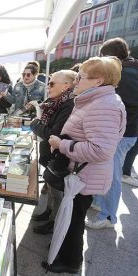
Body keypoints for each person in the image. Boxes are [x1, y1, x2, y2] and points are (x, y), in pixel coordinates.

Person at [45, 56, 126, 274]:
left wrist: (62, 144)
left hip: (85, 175)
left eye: (81, 77)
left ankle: (70, 262)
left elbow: (101, 150)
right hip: (83, 173)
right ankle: (65, 256)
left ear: (98, 81)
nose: (76, 81)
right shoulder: (98, 101)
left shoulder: (104, 106)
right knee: (72, 218)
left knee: (74, 220)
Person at [86, 37, 138, 228]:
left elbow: (128, 105)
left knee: (113, 174)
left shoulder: (127, 74)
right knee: (106, 170)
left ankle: (108, 217)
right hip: (122, 132)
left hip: (122, 134)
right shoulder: (129, 70)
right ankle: (100, 204)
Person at [29, 70, 76, 235]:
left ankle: (53, 222)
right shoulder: (56, 102)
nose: (48, 87)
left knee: (56, 193)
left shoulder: (68, 104)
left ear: (66, 86)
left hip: (58, 158)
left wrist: (35, 125)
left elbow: (53, 134)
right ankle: (49, 212)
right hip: (50, 156)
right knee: (51, 188)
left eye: (52, 83)